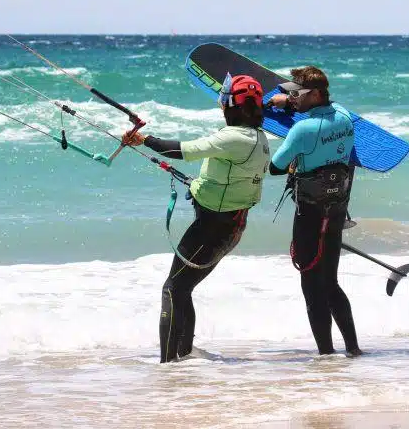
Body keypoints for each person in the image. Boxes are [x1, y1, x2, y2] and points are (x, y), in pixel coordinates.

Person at [122, 74, 270, 363]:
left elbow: (183, 150)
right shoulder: (259, 138)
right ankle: (185, 358)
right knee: (183, 288)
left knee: (173, 288)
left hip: (212, 229)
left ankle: (167, 366)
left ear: (230, 106)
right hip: (230, 227)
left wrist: (143, 140)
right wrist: (198, 188)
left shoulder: (233, 137)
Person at [267, 66, 363, 357]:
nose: (293, 97)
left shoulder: (302, 130)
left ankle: (326, 355)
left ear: (317, 94)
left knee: (311, 285)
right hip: (336, 208)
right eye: (291, 93)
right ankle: (354, 349)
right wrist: (290, 104)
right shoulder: (345, 118)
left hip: (310, 213)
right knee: (331, 281)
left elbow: (276, 167)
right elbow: (323, 120)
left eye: (298, 94)